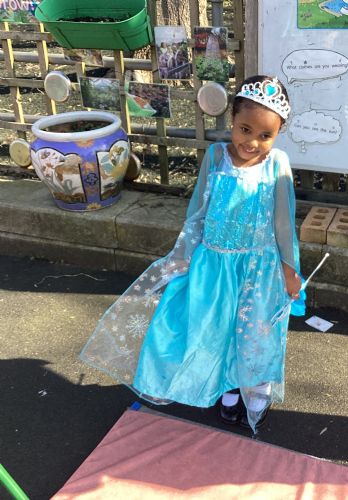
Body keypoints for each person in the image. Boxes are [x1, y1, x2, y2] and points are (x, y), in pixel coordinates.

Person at [80, 75, 305, 432]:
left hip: (258, 269)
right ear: (232, 120)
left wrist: (289, 268)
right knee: (213, 329)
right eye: (245, 130)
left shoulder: (277, 164)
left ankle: (254, 389)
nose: (252, 142)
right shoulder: (216, 157)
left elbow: (283, 222)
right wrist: (183, 254)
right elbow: (198, 211)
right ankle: (225, 388)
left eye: (265, 135)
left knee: (254, 332)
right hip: (212, 267)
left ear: (278, 134)